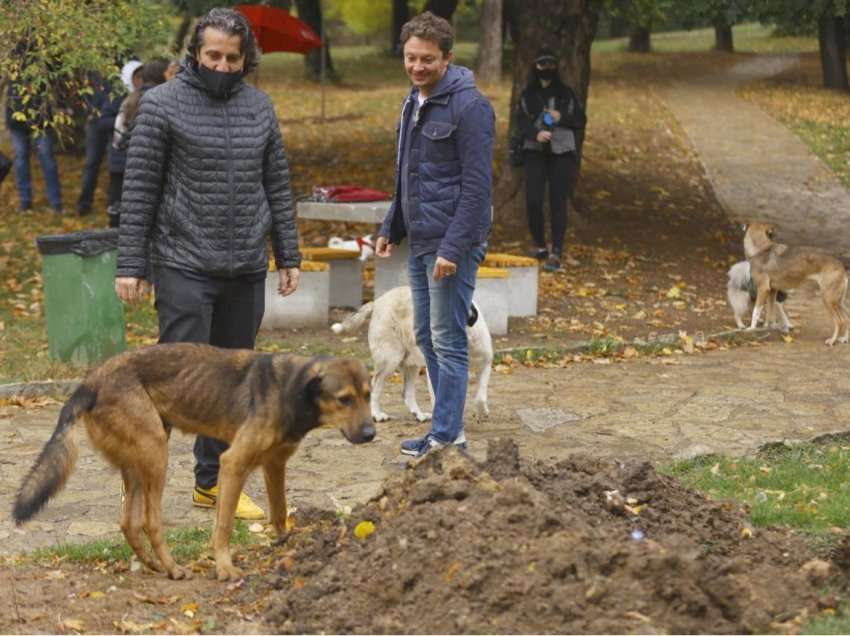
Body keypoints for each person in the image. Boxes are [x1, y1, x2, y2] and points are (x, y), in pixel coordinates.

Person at [115, 7, 301, 520]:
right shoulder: (161, 105)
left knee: (235, 384)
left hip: (244, 264)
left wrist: (288, 253)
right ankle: (139, 478)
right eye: (212, 55)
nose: (222, 65)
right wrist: (131, 263)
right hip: (183, 260)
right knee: (176, 380)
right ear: (195, 53)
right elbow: (139, 189)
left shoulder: (260, 108)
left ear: (245, 59)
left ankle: (214, 484)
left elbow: (278, 185)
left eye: (232, 58)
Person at [375, 11, 495, 458]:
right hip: (422, 238)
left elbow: (478, 188)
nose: (417, 67)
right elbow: (409, 172)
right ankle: (446, 431)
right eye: (410, 58)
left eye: (427, 59)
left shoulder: (470, 107)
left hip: (453, 243)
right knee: (426, 336)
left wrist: (453, 247)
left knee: (447, 337)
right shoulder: (413, 101)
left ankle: (448, 436)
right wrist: (393, 225)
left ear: (447, 58)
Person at [515, 47, 586, 273]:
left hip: (562, 152)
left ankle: (556, 251)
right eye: (542, 65)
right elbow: (520, 123)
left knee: (558, 201)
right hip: (534, 151)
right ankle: (539, 244)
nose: (546, 69)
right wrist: (535, 134)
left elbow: (580, 120)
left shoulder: (566, 93)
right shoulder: (527, 95)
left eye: (550, 64)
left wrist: (561, 117)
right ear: (535, 67)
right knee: (534, 201)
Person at [107, 60, 169, 228]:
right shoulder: (154, 101)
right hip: (129, 163)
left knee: (123, 210)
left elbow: (119, 136)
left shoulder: (133, 98)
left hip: (123, 162)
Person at [4, 39, 63, 214]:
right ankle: (26, 202)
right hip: (17, 119)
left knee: (45, 158)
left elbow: (57, 82)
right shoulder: (11, 59)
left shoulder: (45, 58)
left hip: (40, 118)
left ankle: (55, 202)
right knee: (23, 159)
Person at [77, 72, 124, 217]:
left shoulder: (122, 63)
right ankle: (85, 203)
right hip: (96, 121)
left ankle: (114, 202)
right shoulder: (92, 66)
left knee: (116, 164)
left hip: (115, 120)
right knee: (91, 163)